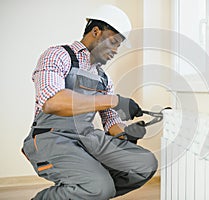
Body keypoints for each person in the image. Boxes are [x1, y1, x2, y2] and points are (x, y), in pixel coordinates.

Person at [21, 4, 158, 200]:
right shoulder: (58, 55)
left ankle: (93, 189)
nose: (116, 50)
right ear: (96, 32)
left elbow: (111, 121)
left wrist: (126, 134)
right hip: (52, 137)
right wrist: (113, 100)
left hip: (86, 138)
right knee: (98, 187)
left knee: (144, 164)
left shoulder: (104, 78)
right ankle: (94, 188)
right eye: (114, 42)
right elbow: (53, 102)